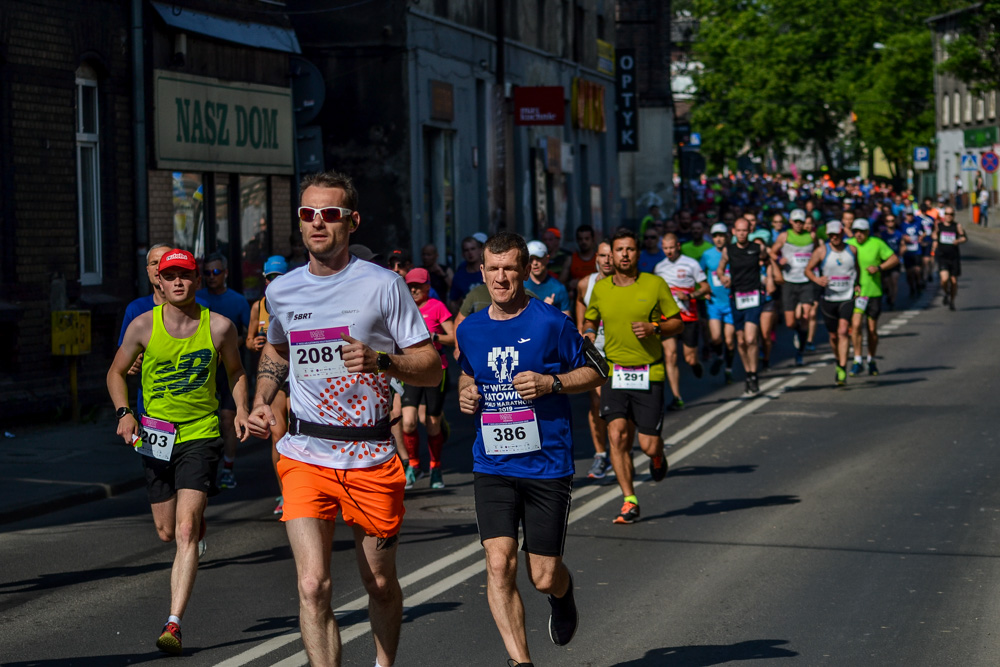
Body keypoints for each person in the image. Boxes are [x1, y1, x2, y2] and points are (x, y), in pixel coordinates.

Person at [246, 170, 442, 667]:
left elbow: (432, 368)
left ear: (351, 221)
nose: (317, 223)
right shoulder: (283, 292)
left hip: (370, 454)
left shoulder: (384, 286)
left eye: (329, 214)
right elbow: (275, 351)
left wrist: (383, 361)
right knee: (312, 585)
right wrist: (263, 397)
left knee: (378, 582)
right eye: (308, 214)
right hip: (304, 453)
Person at [457, 232, 607, 667]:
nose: (501, 277)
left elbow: (598, 370)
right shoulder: (469, 328)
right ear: (482, 272)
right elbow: (469, 374)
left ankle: (563, 594)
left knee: (541, 577)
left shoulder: (550, 322)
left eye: (510, 268)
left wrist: (552, 383)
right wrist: (468, 392)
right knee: (499, 563)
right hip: (492, 464)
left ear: (525, 270)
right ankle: (521, 661)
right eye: (493, 269)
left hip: (547, 464)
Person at [108, 248, 251, 655]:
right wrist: (124, 413)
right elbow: (116, 372)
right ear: (159, 281)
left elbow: (236, 371)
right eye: (169, 275)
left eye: (185, 275)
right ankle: (193, 520)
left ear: (197, 280)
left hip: (200, 435)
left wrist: (240, 408)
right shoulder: (142, 326)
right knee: (167, 531)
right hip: (154, 436)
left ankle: (174, 623)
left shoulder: (220, 327)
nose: (177, 282)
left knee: (185, 532)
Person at [583, 229, 683, 524]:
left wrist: (656, 329)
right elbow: (591, 318)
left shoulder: (655, 284)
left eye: (630, 249)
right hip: (614, 372)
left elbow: (678, 323)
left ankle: (656, 456)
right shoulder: (600, 289)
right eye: (619, 250)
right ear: (610, 255)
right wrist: (588, 332)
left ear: (637, 254)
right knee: (617, 435)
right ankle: (629, 499)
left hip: (649, 371)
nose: (624, 254)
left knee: (649, 443)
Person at [196, 252, 250, 489]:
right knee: (206, 419)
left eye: (216, 272)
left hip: (228, 368)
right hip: (202, 370)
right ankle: (204, 468)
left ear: (226, 273)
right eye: (207, 273)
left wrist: (231, 346)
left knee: (228, 419)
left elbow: (249, 334)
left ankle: (228, 468)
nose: (211, 277)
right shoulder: (197, 299)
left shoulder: (237, 301)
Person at [400, 267, 456, 489]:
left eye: (417, 285)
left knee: (431, 423)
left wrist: (434, 336)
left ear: (427, 287)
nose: (413, 289)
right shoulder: (403, 308)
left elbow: (453, 337)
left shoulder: (436, 306)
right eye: (410, 285)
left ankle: (436, 467)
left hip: (436, 369)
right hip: (411, 368)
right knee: (408, 421)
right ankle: (413, 465)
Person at [248, 255, 289, 515]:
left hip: (297, 377)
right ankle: (285, 494)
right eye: (271, 278)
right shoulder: (258, 307)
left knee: (300, 434)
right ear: (265, 280)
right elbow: (249, 339)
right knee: (278, 436)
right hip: (272, 380)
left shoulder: (298, 302)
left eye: (280, 278)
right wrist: (253, 344)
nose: (275, 283)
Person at [716, 218, 774, 395]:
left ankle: (754, 374)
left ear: (749, 231)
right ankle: (748, 372)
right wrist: (723, 278)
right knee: (740, 340)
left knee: (750, 338)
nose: (742, 234)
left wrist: (769, 278)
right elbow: (720, 269)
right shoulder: (729, 250)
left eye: (745, 231)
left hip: (754, 296)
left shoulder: (757, 248)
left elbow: (768, 261)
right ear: (734, 231)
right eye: (739, 231)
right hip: (737, 297)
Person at [654, 233, 709, 410]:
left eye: (671, 248)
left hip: (688, 317)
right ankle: (677, 397)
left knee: (689, 358)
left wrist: (689, 295)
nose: (669, 252)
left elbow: (705, 287)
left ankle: (696, 363)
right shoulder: (659, 267)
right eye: (665, 249)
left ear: (678, 246)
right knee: (670, 356)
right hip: (667, 318)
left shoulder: (691, 263)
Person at [575, 240, 614, 479]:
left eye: (611, 255)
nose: (608, 260)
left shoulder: (624, 282)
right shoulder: (585, 284)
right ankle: (601, 454)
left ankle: (620, 448)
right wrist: (583, 331)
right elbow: (581, 303)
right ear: (596, 258)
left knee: (620, 405)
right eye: (603, 256)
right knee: (597, 402)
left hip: (622, 352)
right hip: (595, 352)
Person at [804, 221, 859, 386]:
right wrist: (817, 279)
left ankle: (842, 366)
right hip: (828, 298)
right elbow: (808, 270)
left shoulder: (852, 249)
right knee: (833, 335)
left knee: (843, 331)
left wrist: (858, 284)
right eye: (831, 235)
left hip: (847, 296)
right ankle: (838, 359)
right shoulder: (822, 251)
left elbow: (857, 268)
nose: (834, 237)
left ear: (842, 233)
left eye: (837, 234)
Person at [846, 219, 899, 376]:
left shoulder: (876, 243)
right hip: (856, 293)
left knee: (871, 330)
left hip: (873, 292)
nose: (859, 234)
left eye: (862, 232)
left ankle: (871, 359)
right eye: (856, 231)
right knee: (855, 326)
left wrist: (879, 267)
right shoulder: (848, 244)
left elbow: (894, 259)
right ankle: (857, 360)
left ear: (868, 232)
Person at [770, 208, 816, 366]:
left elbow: (817, 252)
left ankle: (800, 351)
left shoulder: (811, 236)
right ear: (790, 222)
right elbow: (772, 252)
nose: (798, 224)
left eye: (801, 222)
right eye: (795, 221)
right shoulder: (784, 236)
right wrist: (779, 260)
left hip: (806, 281)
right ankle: (798, 332)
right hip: (789, 281)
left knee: (806, 315)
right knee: (790, 322)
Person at [700, 223, 737, 384]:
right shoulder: (707, 255)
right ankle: (720, 356)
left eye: (722, 235)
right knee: (715, 338)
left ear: (727, 237)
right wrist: (704, 289)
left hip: (730, 303)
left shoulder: (734, 253)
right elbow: (699, 275)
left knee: (729, 341)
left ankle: (728, 370)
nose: (719, 239)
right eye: (715, 236)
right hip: (714, 303)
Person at [932, 206, 967, 311]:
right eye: (947, 214)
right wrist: (934, 241)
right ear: (944, 216)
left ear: (953, 216)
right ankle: (946, 292)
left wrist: (959, 241)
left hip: (954, 257)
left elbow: (964, 237)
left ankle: (952, 301)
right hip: (943, 256)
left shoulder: (957, 226)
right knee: (944, 279)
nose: (948, 216)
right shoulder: (939, 226)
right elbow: (934, 235)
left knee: (954, 281)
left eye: (951, 214)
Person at [526, 240, 572, 316]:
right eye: (531, 259)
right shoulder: (519, 286)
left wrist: (552, 311)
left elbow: (567, 324)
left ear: (547, 259)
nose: (535, 263)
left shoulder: (558, 288)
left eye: (538, 258)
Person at [449, 236, 486, 312]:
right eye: (466, 250)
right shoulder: (459, 276)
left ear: (480, 250)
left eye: (473, 249)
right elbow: (453, 303)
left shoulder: (491, 270)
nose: (470, 253)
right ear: (463, 254)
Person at [879, 213, 903, 310]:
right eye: (888, 221)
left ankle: (892, 301)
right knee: (885, 282)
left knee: (894, 280)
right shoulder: (882, 235)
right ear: (885, 223)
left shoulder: (899, 233)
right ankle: (888, 294)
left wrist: (901, 255)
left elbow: (902, 245)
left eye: (892, 221)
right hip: (885, 262)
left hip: (895, 261)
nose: (890, 223)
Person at [901, 210, 925, 297]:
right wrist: (904, 238)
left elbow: (924, 232)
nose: (910, 217)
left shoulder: (918, 223)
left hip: (917, 250)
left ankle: (918, 284)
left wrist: (921, 238)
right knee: (909, 273)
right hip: (907, 252)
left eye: (911, 215)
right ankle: (912, 288)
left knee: (917, 270)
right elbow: (900, 235)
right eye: (908, 215)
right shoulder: (902, 225)